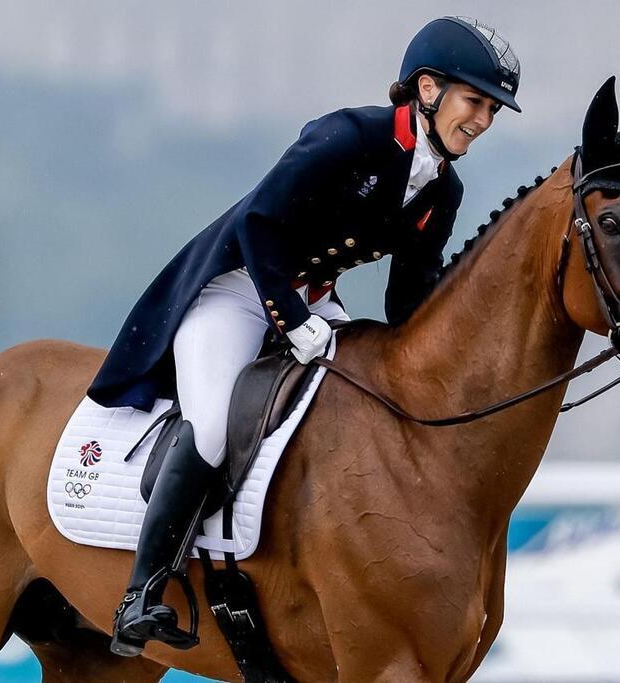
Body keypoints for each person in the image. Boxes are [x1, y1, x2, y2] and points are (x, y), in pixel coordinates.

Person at [90, 16, 523, 656]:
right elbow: (259, 224)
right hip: (240, 290)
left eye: (491, 109)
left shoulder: (443, 188)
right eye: (476, 102)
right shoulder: (348, 136)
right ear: (428, 90)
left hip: (318, 305)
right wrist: (289, 319)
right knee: (212, 425)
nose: (483, 121)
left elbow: (410, 296)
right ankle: (143, 591)